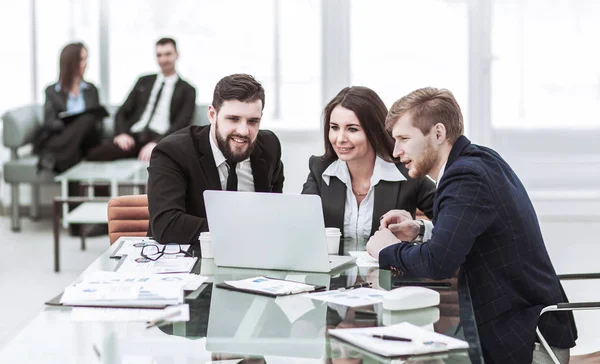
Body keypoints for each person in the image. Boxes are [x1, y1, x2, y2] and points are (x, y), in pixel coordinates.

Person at [365, 87, 577, 363]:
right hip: (514, 326)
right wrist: (420, 229)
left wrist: (386, 250)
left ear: (438, 134)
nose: (396, 151)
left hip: (523, 341)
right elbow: (473, 229)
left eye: (404, 138)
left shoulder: (465, 176)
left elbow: (437, 262)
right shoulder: (477, 160)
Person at [147, 74, 285, 245]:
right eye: (233, 119)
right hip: (191, 258)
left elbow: (274, 210)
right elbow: (167, 226)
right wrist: (242, 230)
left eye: (253, 121)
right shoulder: (173, 152)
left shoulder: (270, 146)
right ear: (212, 115)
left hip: (254, 256)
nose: (243, 131)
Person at [301, 86, 436, 253]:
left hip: (389, 275)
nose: (340, 139)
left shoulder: (407, 172)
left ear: (374, 131)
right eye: (334, 127)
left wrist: (419, 228)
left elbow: (450, 220)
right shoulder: (320, 170)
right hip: (333, 277)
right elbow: (301, 226)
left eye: (352, 129)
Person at [86, 37, 196, 162]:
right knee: (94, 154)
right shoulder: (143, 81)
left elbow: (182, 123)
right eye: (159, 55)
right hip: (134, 137)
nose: (163, 59)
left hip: (163, 139)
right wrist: (121, 134)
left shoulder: (188, 89)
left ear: (177, 55)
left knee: (166, 161)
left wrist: (158, 142)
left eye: (168, 54)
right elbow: (122, 112)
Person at [35, 42, 104, 173]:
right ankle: (67, 160)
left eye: (86, 59)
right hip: (62, 136)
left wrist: (79, 123)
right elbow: (50, 122)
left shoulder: (91, 89)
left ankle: (55, 158)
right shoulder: (52, 91)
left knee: (87, 118)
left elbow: (97, 122)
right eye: (82, 59)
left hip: (86, 140)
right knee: (73, 147)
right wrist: (68, 123)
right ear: (71, 62)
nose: (86, 64)